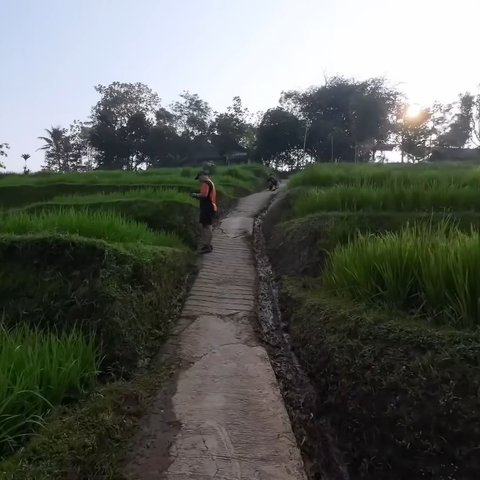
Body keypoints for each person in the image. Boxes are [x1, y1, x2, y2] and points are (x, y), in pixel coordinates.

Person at [191, 171, 217, 253]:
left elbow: (204, 195)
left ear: (202, 176)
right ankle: (208, 245)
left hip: (207, 208)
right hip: (211, 206)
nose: (199, 180)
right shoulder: (211, 183)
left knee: (206, 227)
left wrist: (195, 195)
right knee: (208, 226)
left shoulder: (205, 183)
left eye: (199, 178)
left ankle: (207, 246)